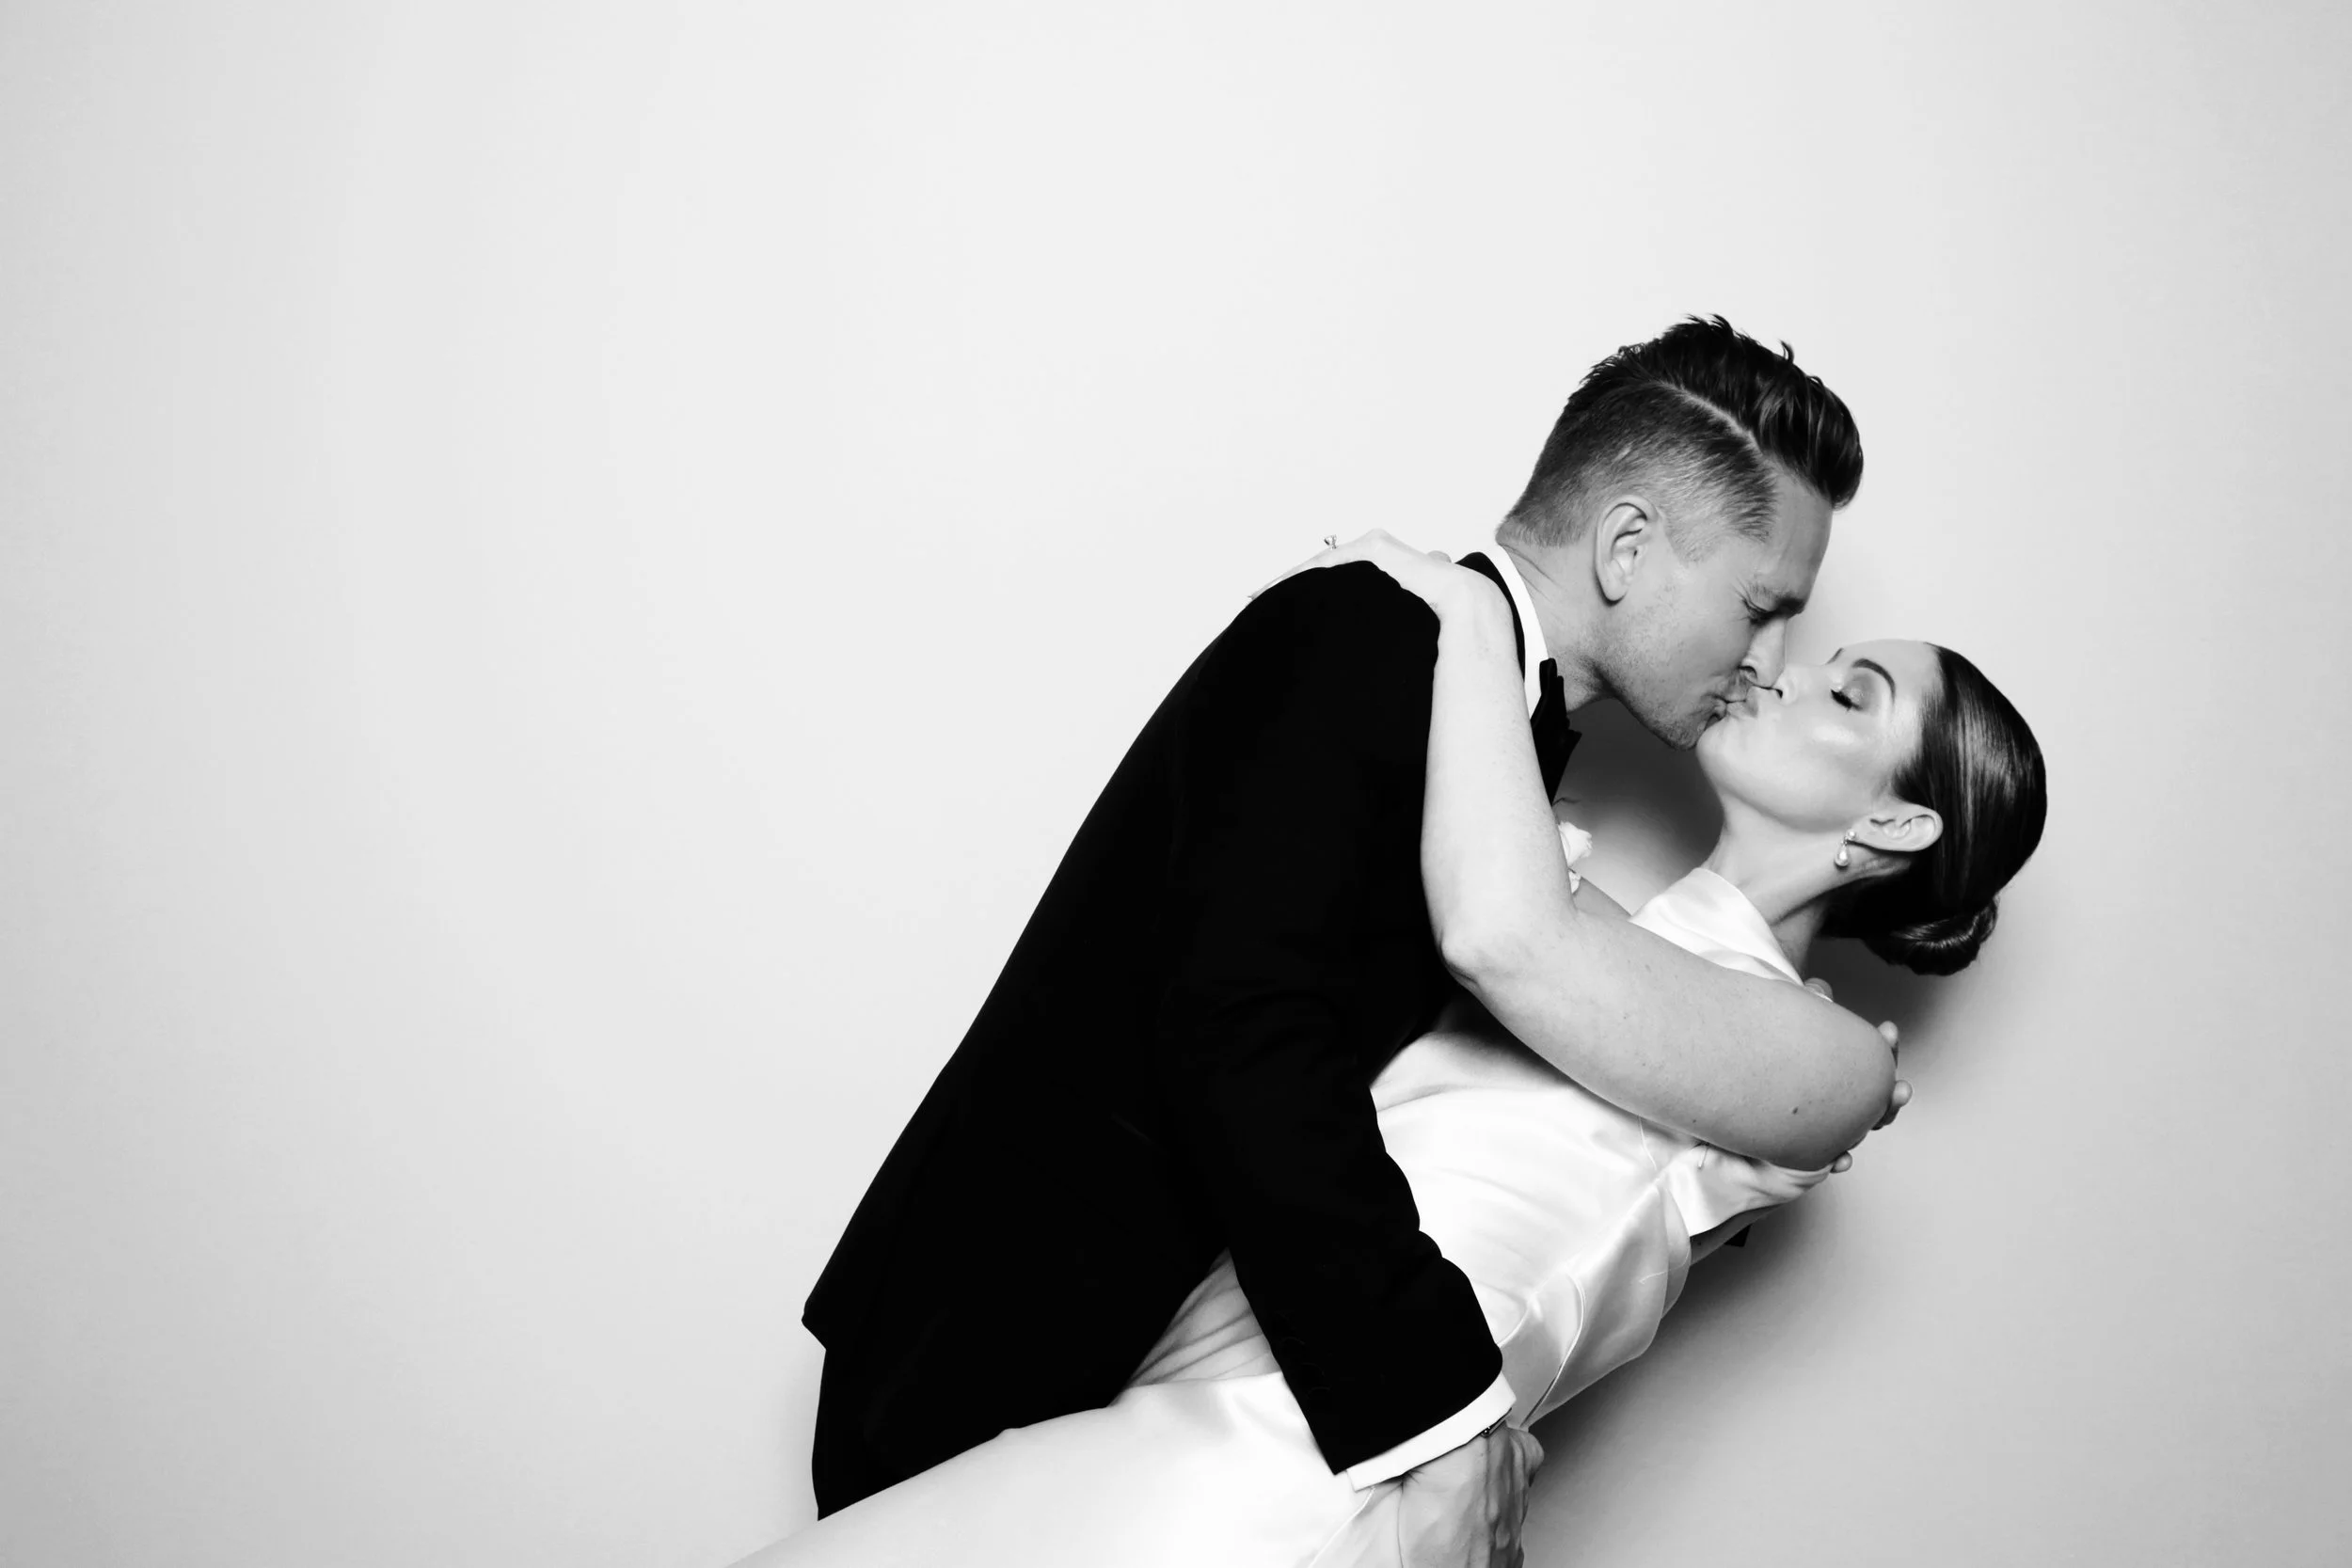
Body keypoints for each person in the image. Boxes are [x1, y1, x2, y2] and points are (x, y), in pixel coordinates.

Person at [799, 318, 1888, 1564]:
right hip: (997, 1348)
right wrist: (1437, 1406)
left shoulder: (1491, 732)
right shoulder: (1370, 637)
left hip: (1154, 1398)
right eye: (1762, 607)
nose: (1769, 663)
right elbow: (1242, 1029)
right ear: (1628, 544)